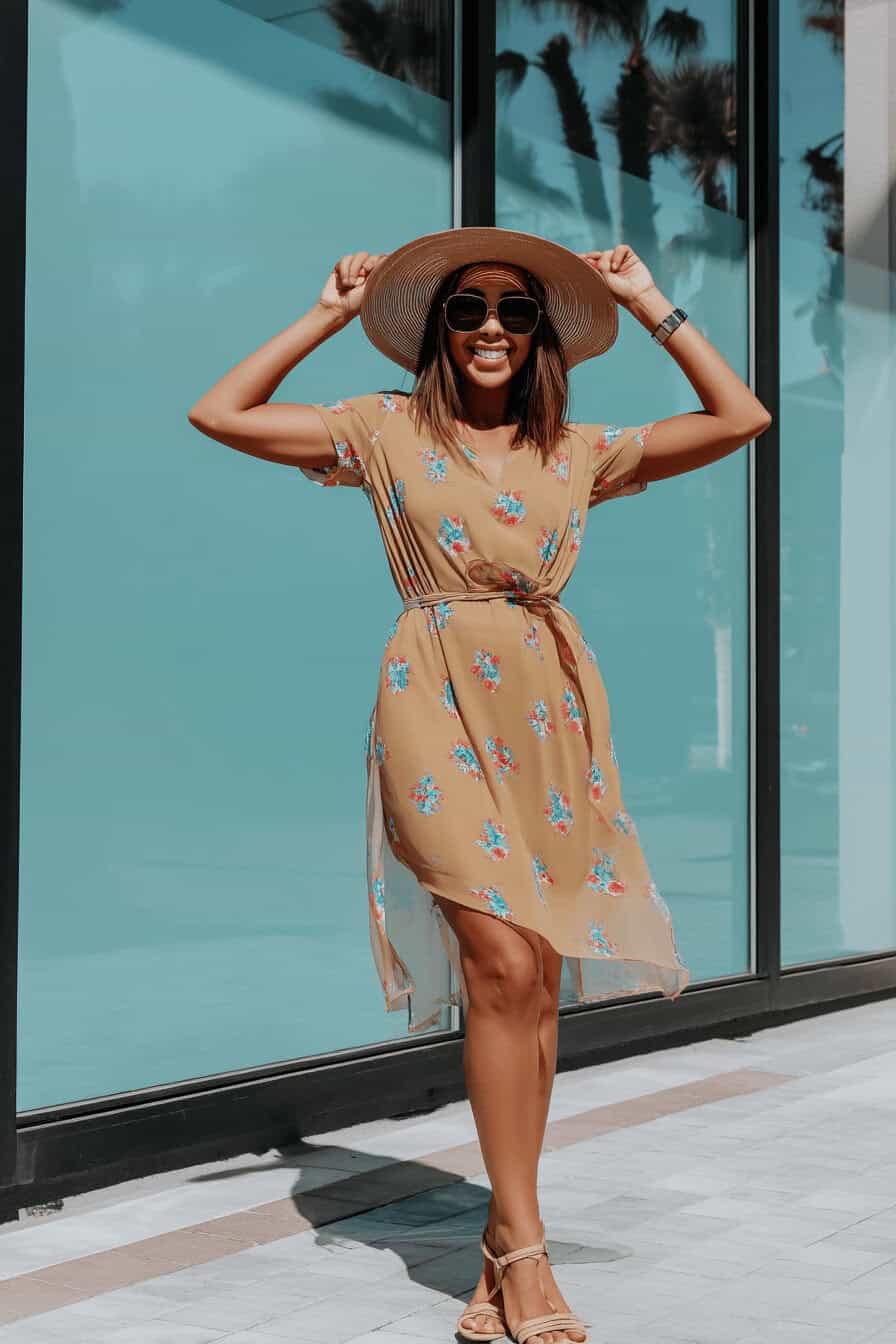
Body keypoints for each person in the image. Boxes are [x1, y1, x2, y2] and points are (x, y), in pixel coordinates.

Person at [187, 227, 772, 1344]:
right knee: (498, 958)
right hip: (431, 695)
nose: (492, 326)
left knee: (533, 984)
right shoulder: (381, 428)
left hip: (548, 715)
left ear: (540, 334)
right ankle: (527, 1253)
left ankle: (504, 1243)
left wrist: (650, 302)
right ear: (438, 332)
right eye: (466, 309)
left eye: (512, 310)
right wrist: (324, 314)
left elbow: (739, 418)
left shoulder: (580, 450)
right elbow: (219, 413)